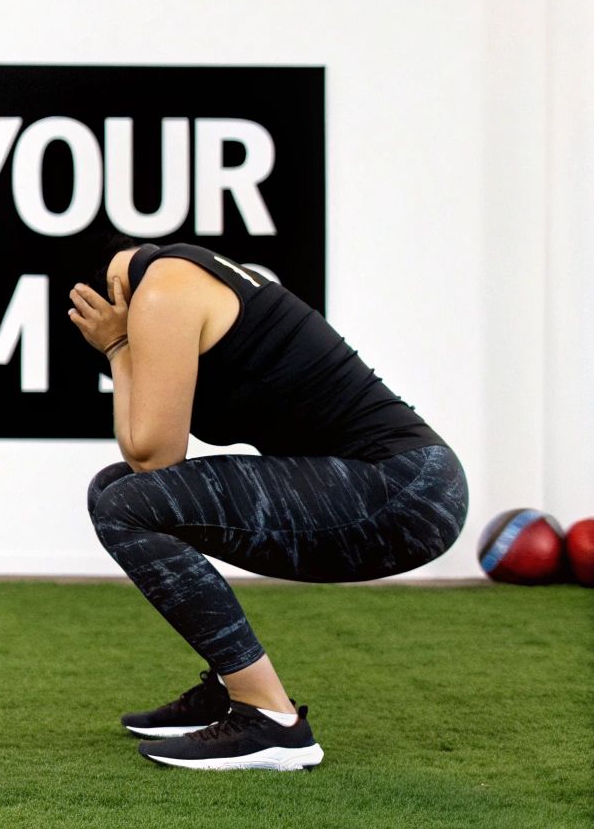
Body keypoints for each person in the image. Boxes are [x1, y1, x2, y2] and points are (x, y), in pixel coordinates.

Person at [68, 242, 467, 771]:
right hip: (395, 488)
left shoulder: (163, 289)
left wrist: (118, 348)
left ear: (112, 295)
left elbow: (153, 455)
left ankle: (270, 719)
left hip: (404, 493)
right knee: (112, 492)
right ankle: (230, 687)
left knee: (126, 504)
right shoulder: (193, 278)